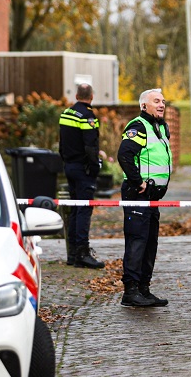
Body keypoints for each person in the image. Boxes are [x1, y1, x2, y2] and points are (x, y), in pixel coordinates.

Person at [117, 88, 173, 308]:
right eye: (156, 101)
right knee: (137, 241)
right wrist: (137, 181)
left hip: (152, 197)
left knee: (150, 243)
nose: (161, 105)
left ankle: (144, 289)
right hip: (138, 195)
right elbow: (124, 154)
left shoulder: (158, 127)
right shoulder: (138, 126)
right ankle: (130, 292)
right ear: (144, 106)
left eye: (163, 101)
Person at [57, 83, 106, 269]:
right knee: (84, 210)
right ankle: (83, 253)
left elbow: (62, 143)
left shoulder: (66, 114)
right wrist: (94, 168)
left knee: (76, 209)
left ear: (76, 94)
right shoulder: (87, 116)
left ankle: (73, 254)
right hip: (83, 170)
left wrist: (66, 161)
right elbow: (90, 146)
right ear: (91, 96)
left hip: (69, 166)